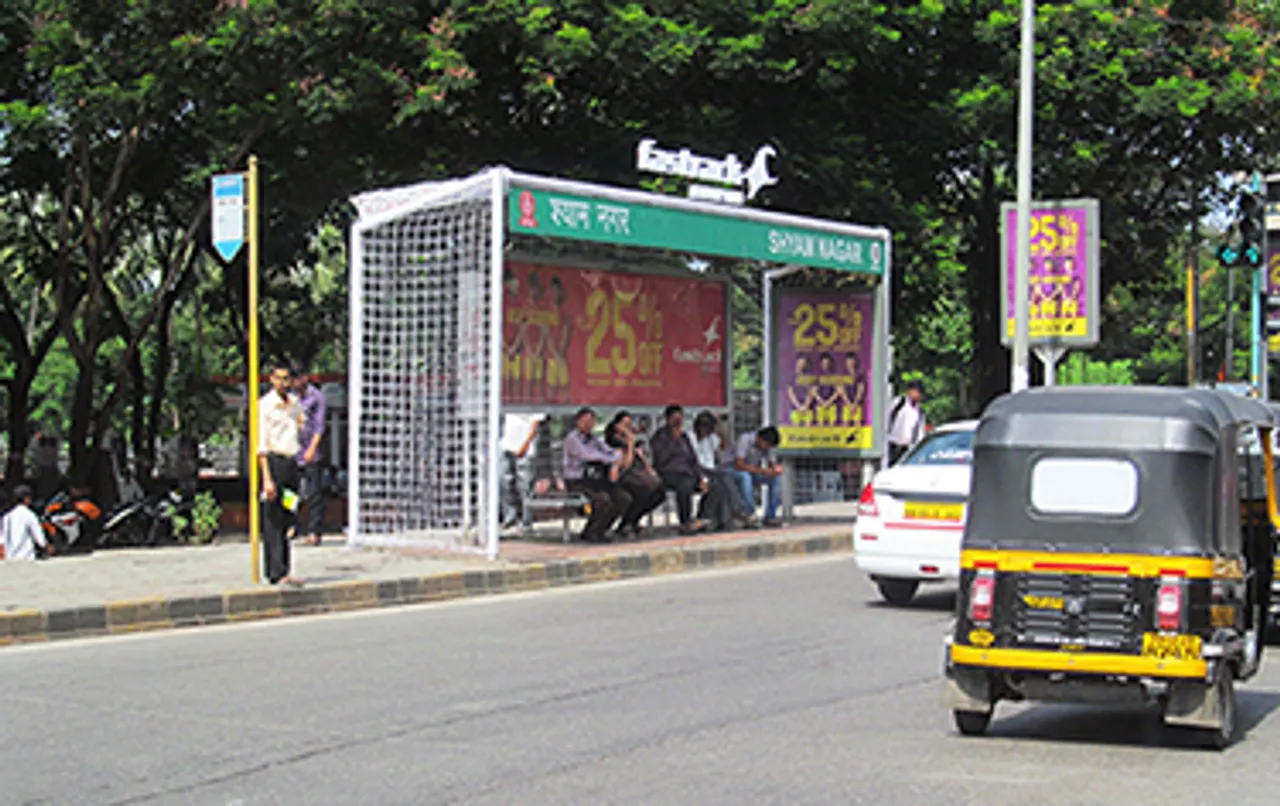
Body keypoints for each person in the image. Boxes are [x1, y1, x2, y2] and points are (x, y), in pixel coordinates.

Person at [258, 362, 303, 585]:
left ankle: (286, 568)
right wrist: (266, 478)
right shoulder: (265, 405)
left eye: (287, 379)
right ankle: (274, 571)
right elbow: (261, 445)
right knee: (272, 518)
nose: (283, 383)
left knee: (288, 514)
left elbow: (300, 426)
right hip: (274, 463)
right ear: (272, 379)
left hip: (291, 464)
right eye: (279, 378)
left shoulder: (294, 403)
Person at [562, 407, 633, 543]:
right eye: (585, 421)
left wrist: (615, 462)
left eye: (591, 421)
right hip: (577, 481)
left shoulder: (594, 439)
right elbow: (588, 456)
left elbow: (613, 453)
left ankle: (599, 530)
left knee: (623, 498)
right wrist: (610, 459)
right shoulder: (573, 439)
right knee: (603, 500)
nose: (589, 425)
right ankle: (592, 533)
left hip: (594, 480)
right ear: (578, 422)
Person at [605, 411, 666, 539]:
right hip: (624, 476)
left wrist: (648, 468)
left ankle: (632, 520)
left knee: (659, 492)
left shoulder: (632, 442)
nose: (627, 427)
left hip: (637, 473)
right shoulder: (614, 442)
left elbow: (642, 461)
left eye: (629, 424)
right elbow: (626, 464)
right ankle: (627, 523)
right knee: (644, 489)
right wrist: (630, 443)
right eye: (624, 424)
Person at [650, 405, 709, 534]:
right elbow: (661, 459)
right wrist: (673, 440)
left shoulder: (684, 437)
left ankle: (705, 517)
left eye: (680, 418)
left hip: (688, 473)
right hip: (668, 473)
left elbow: (693, 460)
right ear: (668, 419)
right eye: (675, 418)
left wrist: (701, 477)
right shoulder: (660, 436)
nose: (678, 422)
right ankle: (685, 522)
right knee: (685, 485)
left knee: (715, 481)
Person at [689, 411, 744, 531]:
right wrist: (703, 476)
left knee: (724, 478)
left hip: (712, 470)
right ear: (700, 427)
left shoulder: (710, 437)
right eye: (708, 429)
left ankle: (724, 518)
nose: (709, 432)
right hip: (697, 470)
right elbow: (692, 461)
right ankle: (736, 509)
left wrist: (720, 426)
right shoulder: (689, 438)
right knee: (722, 479)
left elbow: (724, 446)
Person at [293, 365, 327, 546]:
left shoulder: (316, 397)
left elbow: (319, 426)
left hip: (309, 452)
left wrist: (312, 448)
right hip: (291, 451)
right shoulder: (289, 398)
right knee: (291, 492)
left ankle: (314, 531)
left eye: (299, 378)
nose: (296, 383)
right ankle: (293, 525)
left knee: (314, 492)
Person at [730, 425, 784, 528]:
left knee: (776, 479)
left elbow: (770, 463)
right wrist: (762, 471)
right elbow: (739, 465)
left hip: (753, 472)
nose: (767, 448)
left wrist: (774, 470)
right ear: (759, 438)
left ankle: (770, 515)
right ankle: (750, 515)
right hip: (734, 472)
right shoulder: (745, 439)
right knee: (745, 477)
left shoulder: (767, 446)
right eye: (767, 445)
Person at [500, 412, 545, 536]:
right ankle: (510, 517)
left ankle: (526, 522)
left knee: (525, 486)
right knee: (504, 481)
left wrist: (525, 445)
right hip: (506, 445)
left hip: (525, 449)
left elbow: (535, 424)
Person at [2, 485, 50, 561]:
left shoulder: (7, 517)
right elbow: (40, 539)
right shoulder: (29, 515)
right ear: (26, 499)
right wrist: (47, 547)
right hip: (26, 557)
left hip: (10, 559)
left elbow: (2, 540)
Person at [887, 379, 926, 465]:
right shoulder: (899, 403)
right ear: (909, 391)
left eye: (919, 392)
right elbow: (886, 417)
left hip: (907, 447)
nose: (917, 394)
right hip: (892, 443)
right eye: (916, 391)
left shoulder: (919, 411)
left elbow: (920, 432)